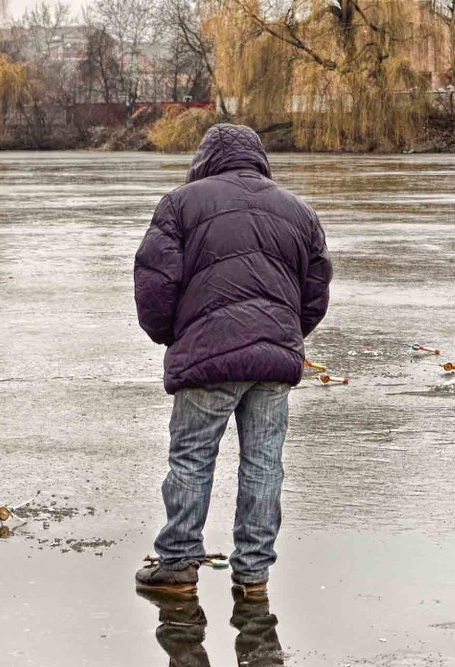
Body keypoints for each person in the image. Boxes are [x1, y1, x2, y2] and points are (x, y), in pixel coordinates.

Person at [133, 123, 332, 594]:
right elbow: (316, 288)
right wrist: (283, 334)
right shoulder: (298, 211)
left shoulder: (180, 204)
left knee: (192, 458)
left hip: (207, 355)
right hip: (273, 362)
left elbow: (154, 282)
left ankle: (178, 562)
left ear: (205, 157)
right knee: (264, 463)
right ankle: (254, 573)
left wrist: (171, 336)